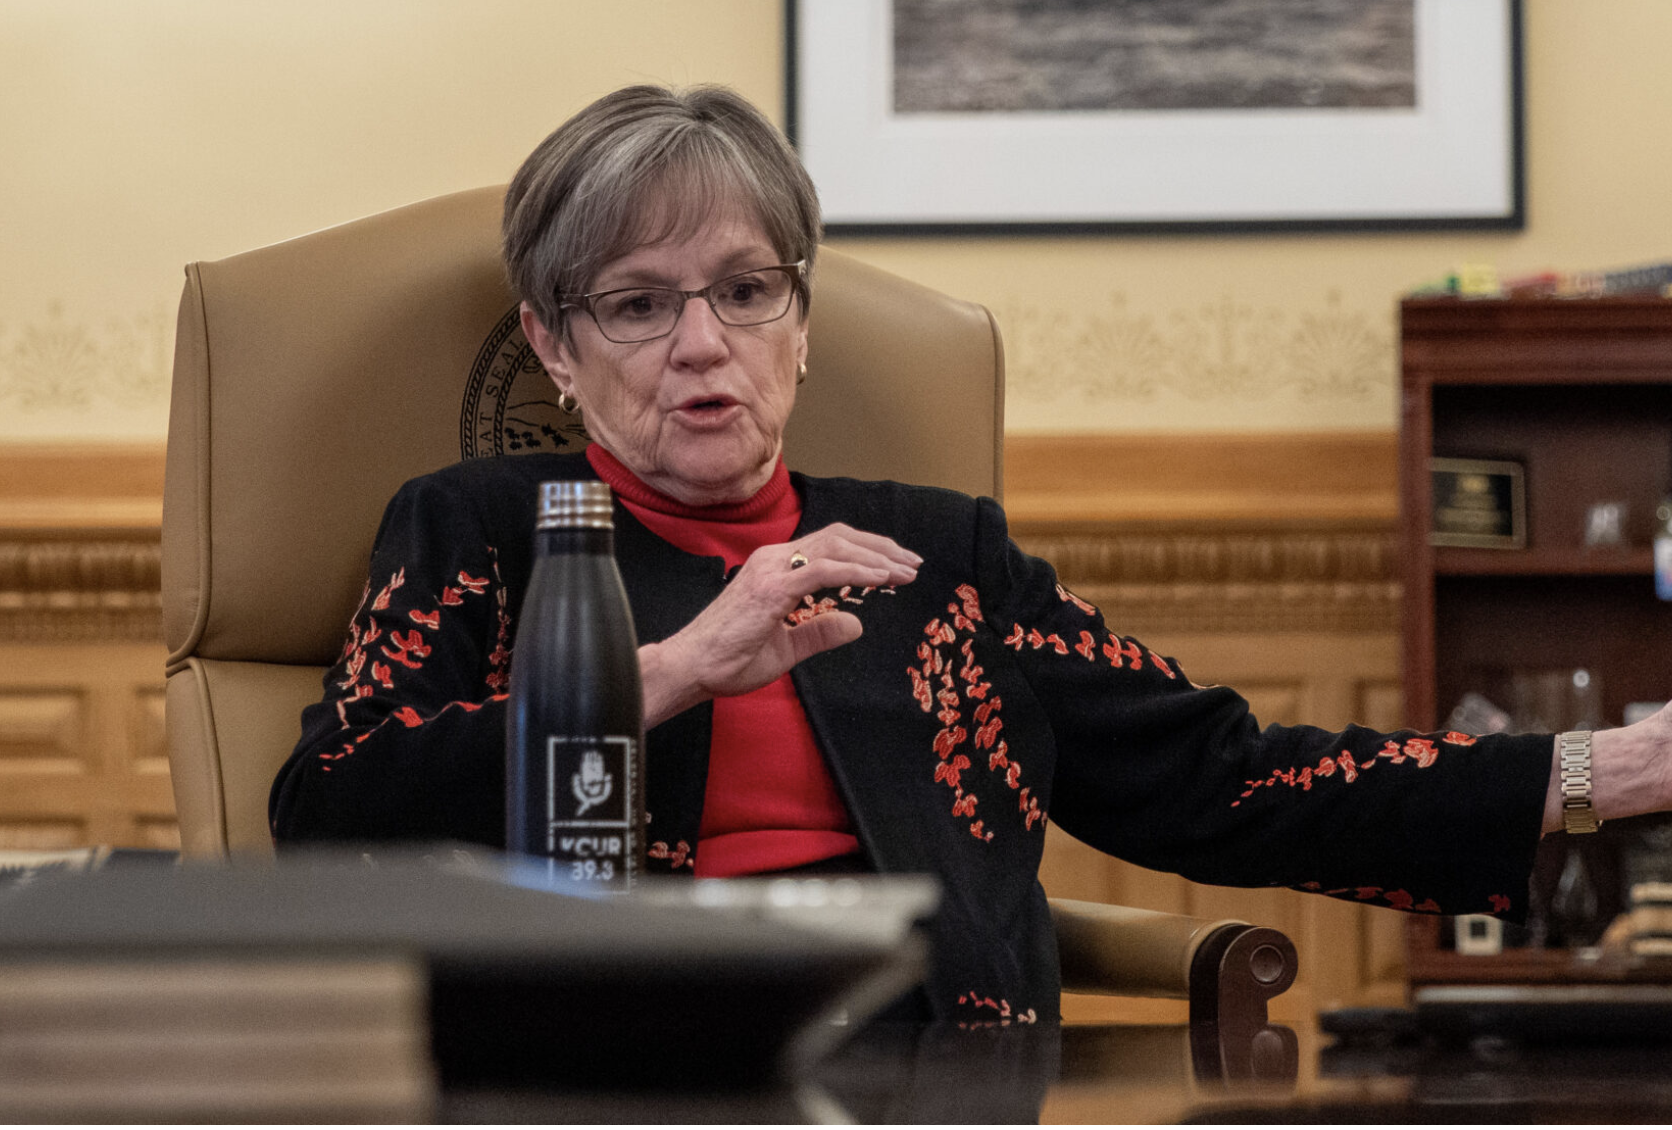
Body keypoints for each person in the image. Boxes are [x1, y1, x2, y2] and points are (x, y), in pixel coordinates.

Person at [271, 83, 1672, 1027]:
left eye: (748, 291)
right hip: (614, 1066)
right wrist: (676, 668)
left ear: (802, 322)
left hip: (939, 1066)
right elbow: (330, 807)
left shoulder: (942, 558)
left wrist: (1601, 772)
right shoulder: (484, 530)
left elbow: (1227, 782)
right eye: (638, 304)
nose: (703, 345)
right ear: (553, 345)